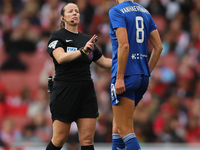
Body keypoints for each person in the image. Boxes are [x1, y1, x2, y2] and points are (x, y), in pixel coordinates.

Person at [46, 3, 112, 150]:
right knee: (59, 139)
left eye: (76, 11)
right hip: (65, 89)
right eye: (70, 11)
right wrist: (82, 51)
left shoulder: (85, 38)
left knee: (87, 140)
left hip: (86, 91)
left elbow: (104, 62)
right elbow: (61, 58)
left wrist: (126, 61)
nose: (75, 13)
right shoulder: (57, 36)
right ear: (63, 17)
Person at [109, 0, 163, 150]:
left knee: (125, 130)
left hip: (125, 77)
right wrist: (147, 72)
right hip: (142, 76)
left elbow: (124, 45)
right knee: (117, 127)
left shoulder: (117, 11)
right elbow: (158, 47)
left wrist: (119, 78)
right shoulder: (144, 11)